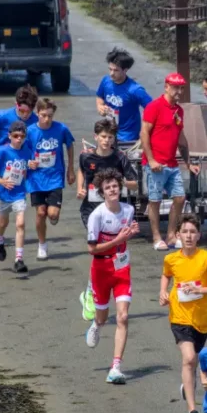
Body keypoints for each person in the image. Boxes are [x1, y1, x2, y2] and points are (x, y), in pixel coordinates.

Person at [159, 214, 207, 413]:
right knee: (189, 359)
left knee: (193, 360)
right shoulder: (171, 259)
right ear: (177, 235)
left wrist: (201, 290)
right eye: (185, 232)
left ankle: (187, 383)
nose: (188, 236)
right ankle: (192, 412)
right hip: (179, 317)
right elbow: (166, 274)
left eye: (192, 232)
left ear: (199, 235)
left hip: (202, 320)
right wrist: (163, 292)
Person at [77, 119, 138, 322]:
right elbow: (81, 171)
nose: (106, 140)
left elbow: (135, 183)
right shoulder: (86, 155)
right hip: (91, 209)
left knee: (113, 251)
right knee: (97, 249)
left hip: (114, 210)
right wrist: (80, 188)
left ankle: (106, 287)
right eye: (103, 137)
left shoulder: (120, 157)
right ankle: (90, 292)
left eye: (110, 137)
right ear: (96, 137)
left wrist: (119, 183)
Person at [83, 169, 139, 384]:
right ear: (102, 192)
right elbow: (91, 249)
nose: (112, 190)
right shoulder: (97, 216)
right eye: (108, 188)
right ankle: (96, 324)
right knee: (102, 317)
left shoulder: (129, 210)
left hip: (122, 268)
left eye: (115, 186)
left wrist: (130, 234)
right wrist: (117, 240)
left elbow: (125, 236)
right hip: (101, 268)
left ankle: (115, 367)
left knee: (123, 317)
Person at [141, 73, 200, 251]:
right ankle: (156, 237)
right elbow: (144, 133)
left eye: (181, 88)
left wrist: (189, 163)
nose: (179, 91)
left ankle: (171, 235)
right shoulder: (154, 107)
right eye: (175, 87)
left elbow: (181, 138)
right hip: (155, 164)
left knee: (180, 198)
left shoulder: (179, 111)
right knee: (155, 200)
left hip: (172, 163)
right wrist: (151, 160)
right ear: (166, 87)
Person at [0, 84, 38, 250]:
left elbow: (35, 142)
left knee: (9, 199)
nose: (25, 115)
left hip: (19, 166)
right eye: (22, 110)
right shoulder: (3, 115)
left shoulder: (35, 121)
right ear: (16, 105)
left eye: (29, 111)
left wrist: (31, 161)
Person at [25, 98, 75, 261]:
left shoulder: (61, 129)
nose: (47, 119)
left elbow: (70, 145)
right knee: (41, 212)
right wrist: (28, 162)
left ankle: (53, 215)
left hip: (55, 177)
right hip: (35, 178)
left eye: (50, 116)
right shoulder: (30, 131)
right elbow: (22, 151)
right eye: (43, 115)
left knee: (52, 214)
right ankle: (42, 245)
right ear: (37, 113)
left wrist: (70, 169)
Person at [0, 121, 32, 273]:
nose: (19, 139)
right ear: (9, 136)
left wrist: (31, 167)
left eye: (22, 136)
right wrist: (0, 181)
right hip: (4, 194)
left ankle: (19, 260)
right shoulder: (2, 151)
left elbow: (27, 170)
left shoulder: (26, 151)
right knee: (2, 224)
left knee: (20, 224)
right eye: (16, 136)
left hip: (19, 194)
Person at [96, 47, 153, 148]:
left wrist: (145, 132)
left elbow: (153, 109)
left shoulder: (135, 90)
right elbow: (99, 96)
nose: (111, 73)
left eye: (116, 70)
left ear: (125, 70)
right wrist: (100, 106)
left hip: (128, 137)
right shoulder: (106, 81)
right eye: (110, 69)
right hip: (109, 133)